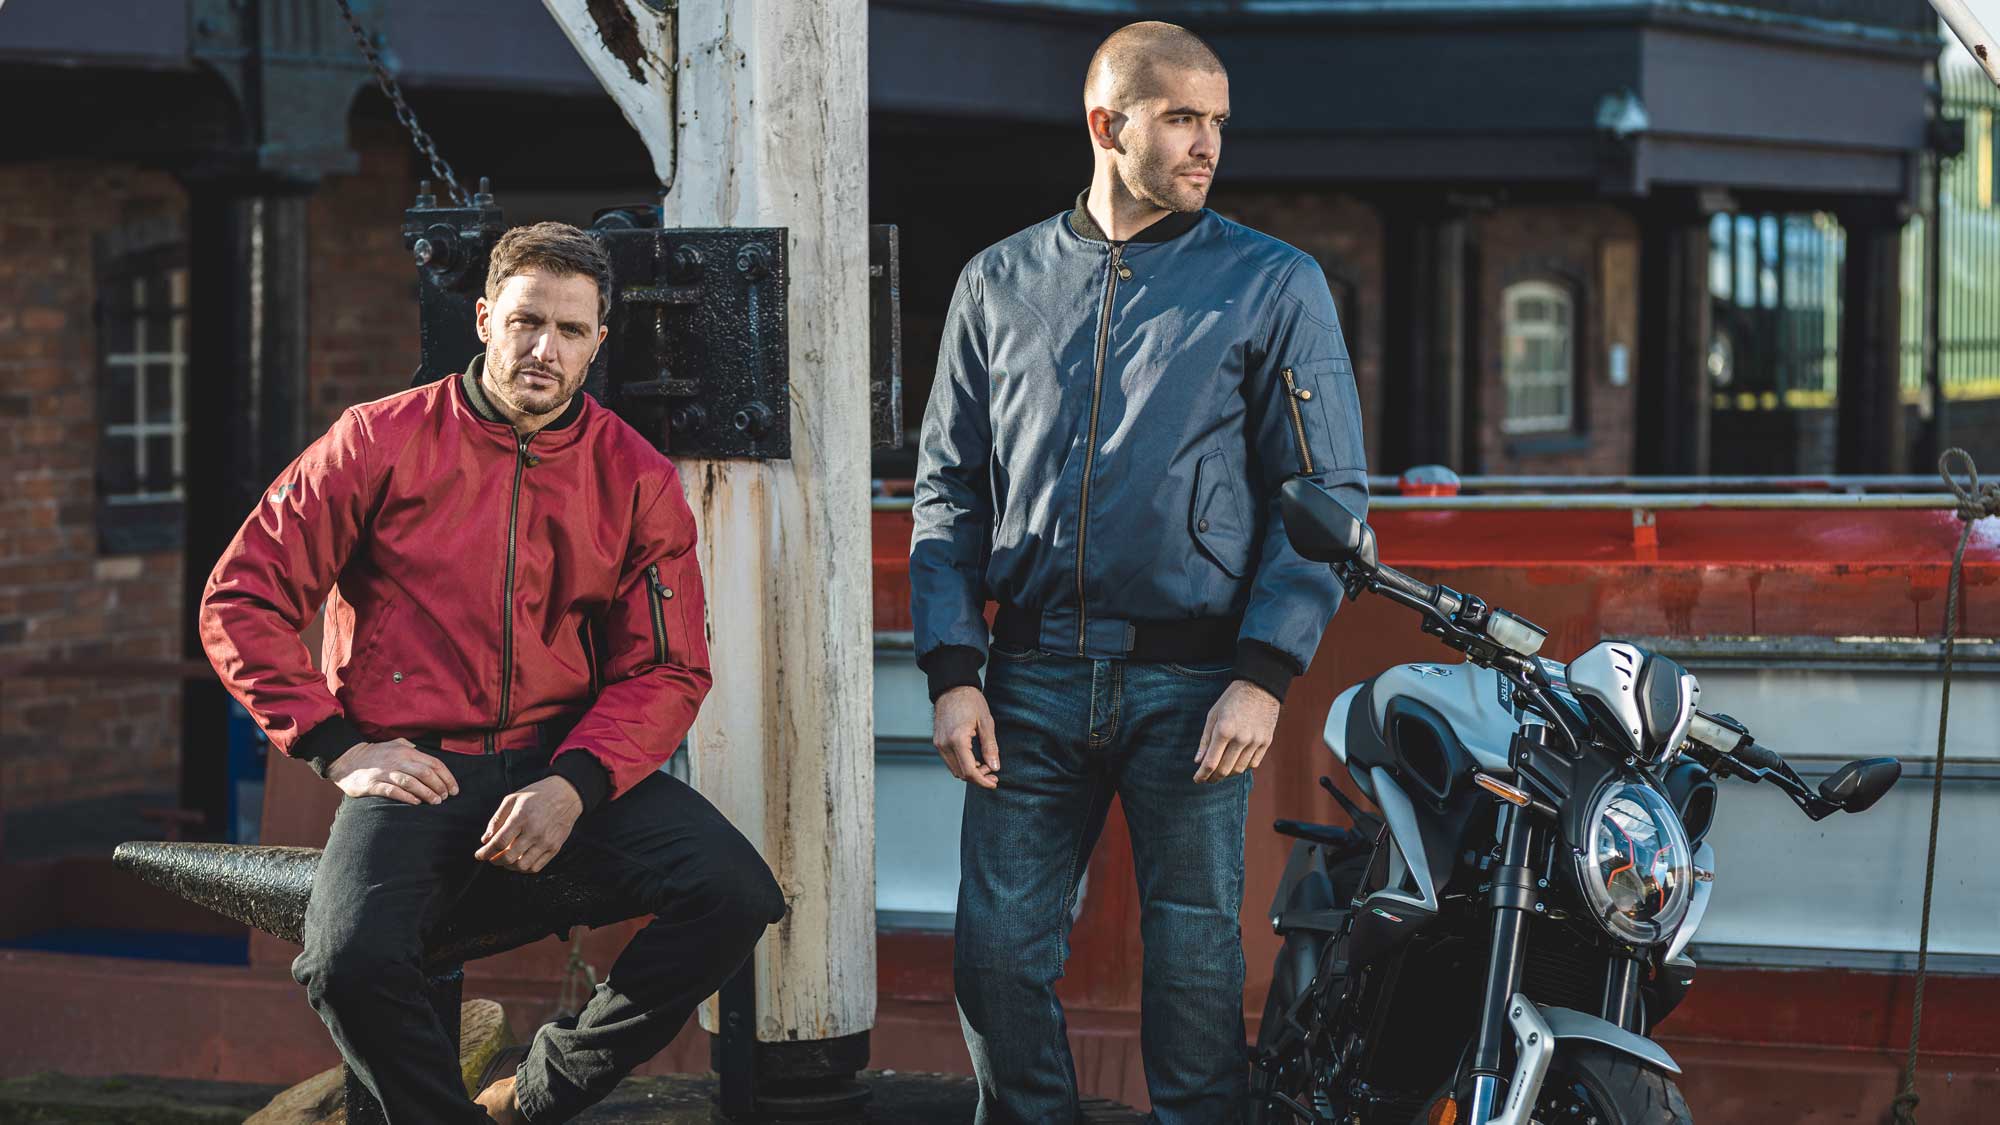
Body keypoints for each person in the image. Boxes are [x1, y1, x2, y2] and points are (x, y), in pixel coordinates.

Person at [199, 222, 786, 1124]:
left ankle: (537, 1094)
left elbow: (666, 669)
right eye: (525, 320)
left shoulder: (636, 477)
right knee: (343, 961)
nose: (544, 348)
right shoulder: (377, 441)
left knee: (735, 893)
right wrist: (338, 748)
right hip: (415, 768)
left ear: (598, 342)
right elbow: (242, 597)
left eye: (571, 330)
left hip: (563, 758)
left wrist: (577, 785)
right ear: (484, 318)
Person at [909, 20, 1369, 1124]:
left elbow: (1327, 498)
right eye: (1179, 118)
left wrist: (1264, 672)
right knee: (993, 960)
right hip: (1021, 678)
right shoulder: (996, 281)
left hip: (1196, 683)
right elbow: (946, 491)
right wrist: (950, 667)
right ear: (1105, 124)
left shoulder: (1273, 282)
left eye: (1216, 121)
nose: (1206, 143)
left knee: (1196, 966)